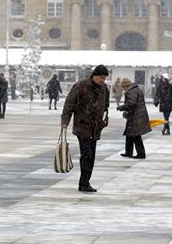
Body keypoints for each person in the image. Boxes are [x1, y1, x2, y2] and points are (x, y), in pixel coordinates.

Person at [60, 64, 110, 193]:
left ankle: (85, 181)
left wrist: (104, 118)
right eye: (100, 77)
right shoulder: (81, 86)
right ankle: (84, 183)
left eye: (104, 78)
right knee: (86, 155)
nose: (102, 80)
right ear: (94, 76)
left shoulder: (104, 88)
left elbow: (106, 105)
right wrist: (65, 121)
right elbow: (69, 104)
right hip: (83, 126)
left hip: (96, 127)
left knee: (91, 156)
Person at [117, 78, 151, 159]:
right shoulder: (136, 89)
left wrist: (121, 107)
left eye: (124, 87)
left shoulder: (132, 91)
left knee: (135, 135)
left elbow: (131, 103)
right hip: (137, 115)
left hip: (136, 116)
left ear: (126, 86)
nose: (124, 89)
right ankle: (128, 152)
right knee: (130, 134)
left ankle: (141, 154)